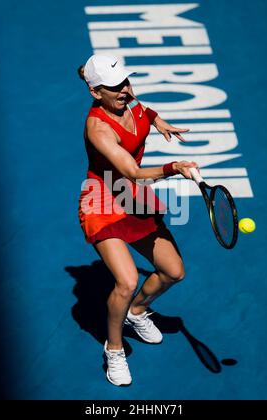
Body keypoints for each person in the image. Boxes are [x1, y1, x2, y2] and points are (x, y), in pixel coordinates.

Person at [78, 54, 198, 387]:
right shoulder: (98, 127)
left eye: (126, 82)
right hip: (102, 202)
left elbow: (145, 111)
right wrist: (174, 168)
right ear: (95, 92)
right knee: (127, 282)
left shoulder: (128, 99)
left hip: (133, 199)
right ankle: (114, 348)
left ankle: (138, 311)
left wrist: (159, 122)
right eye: (114, 87)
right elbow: (131, 171)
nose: (125, 90)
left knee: (174, 271)